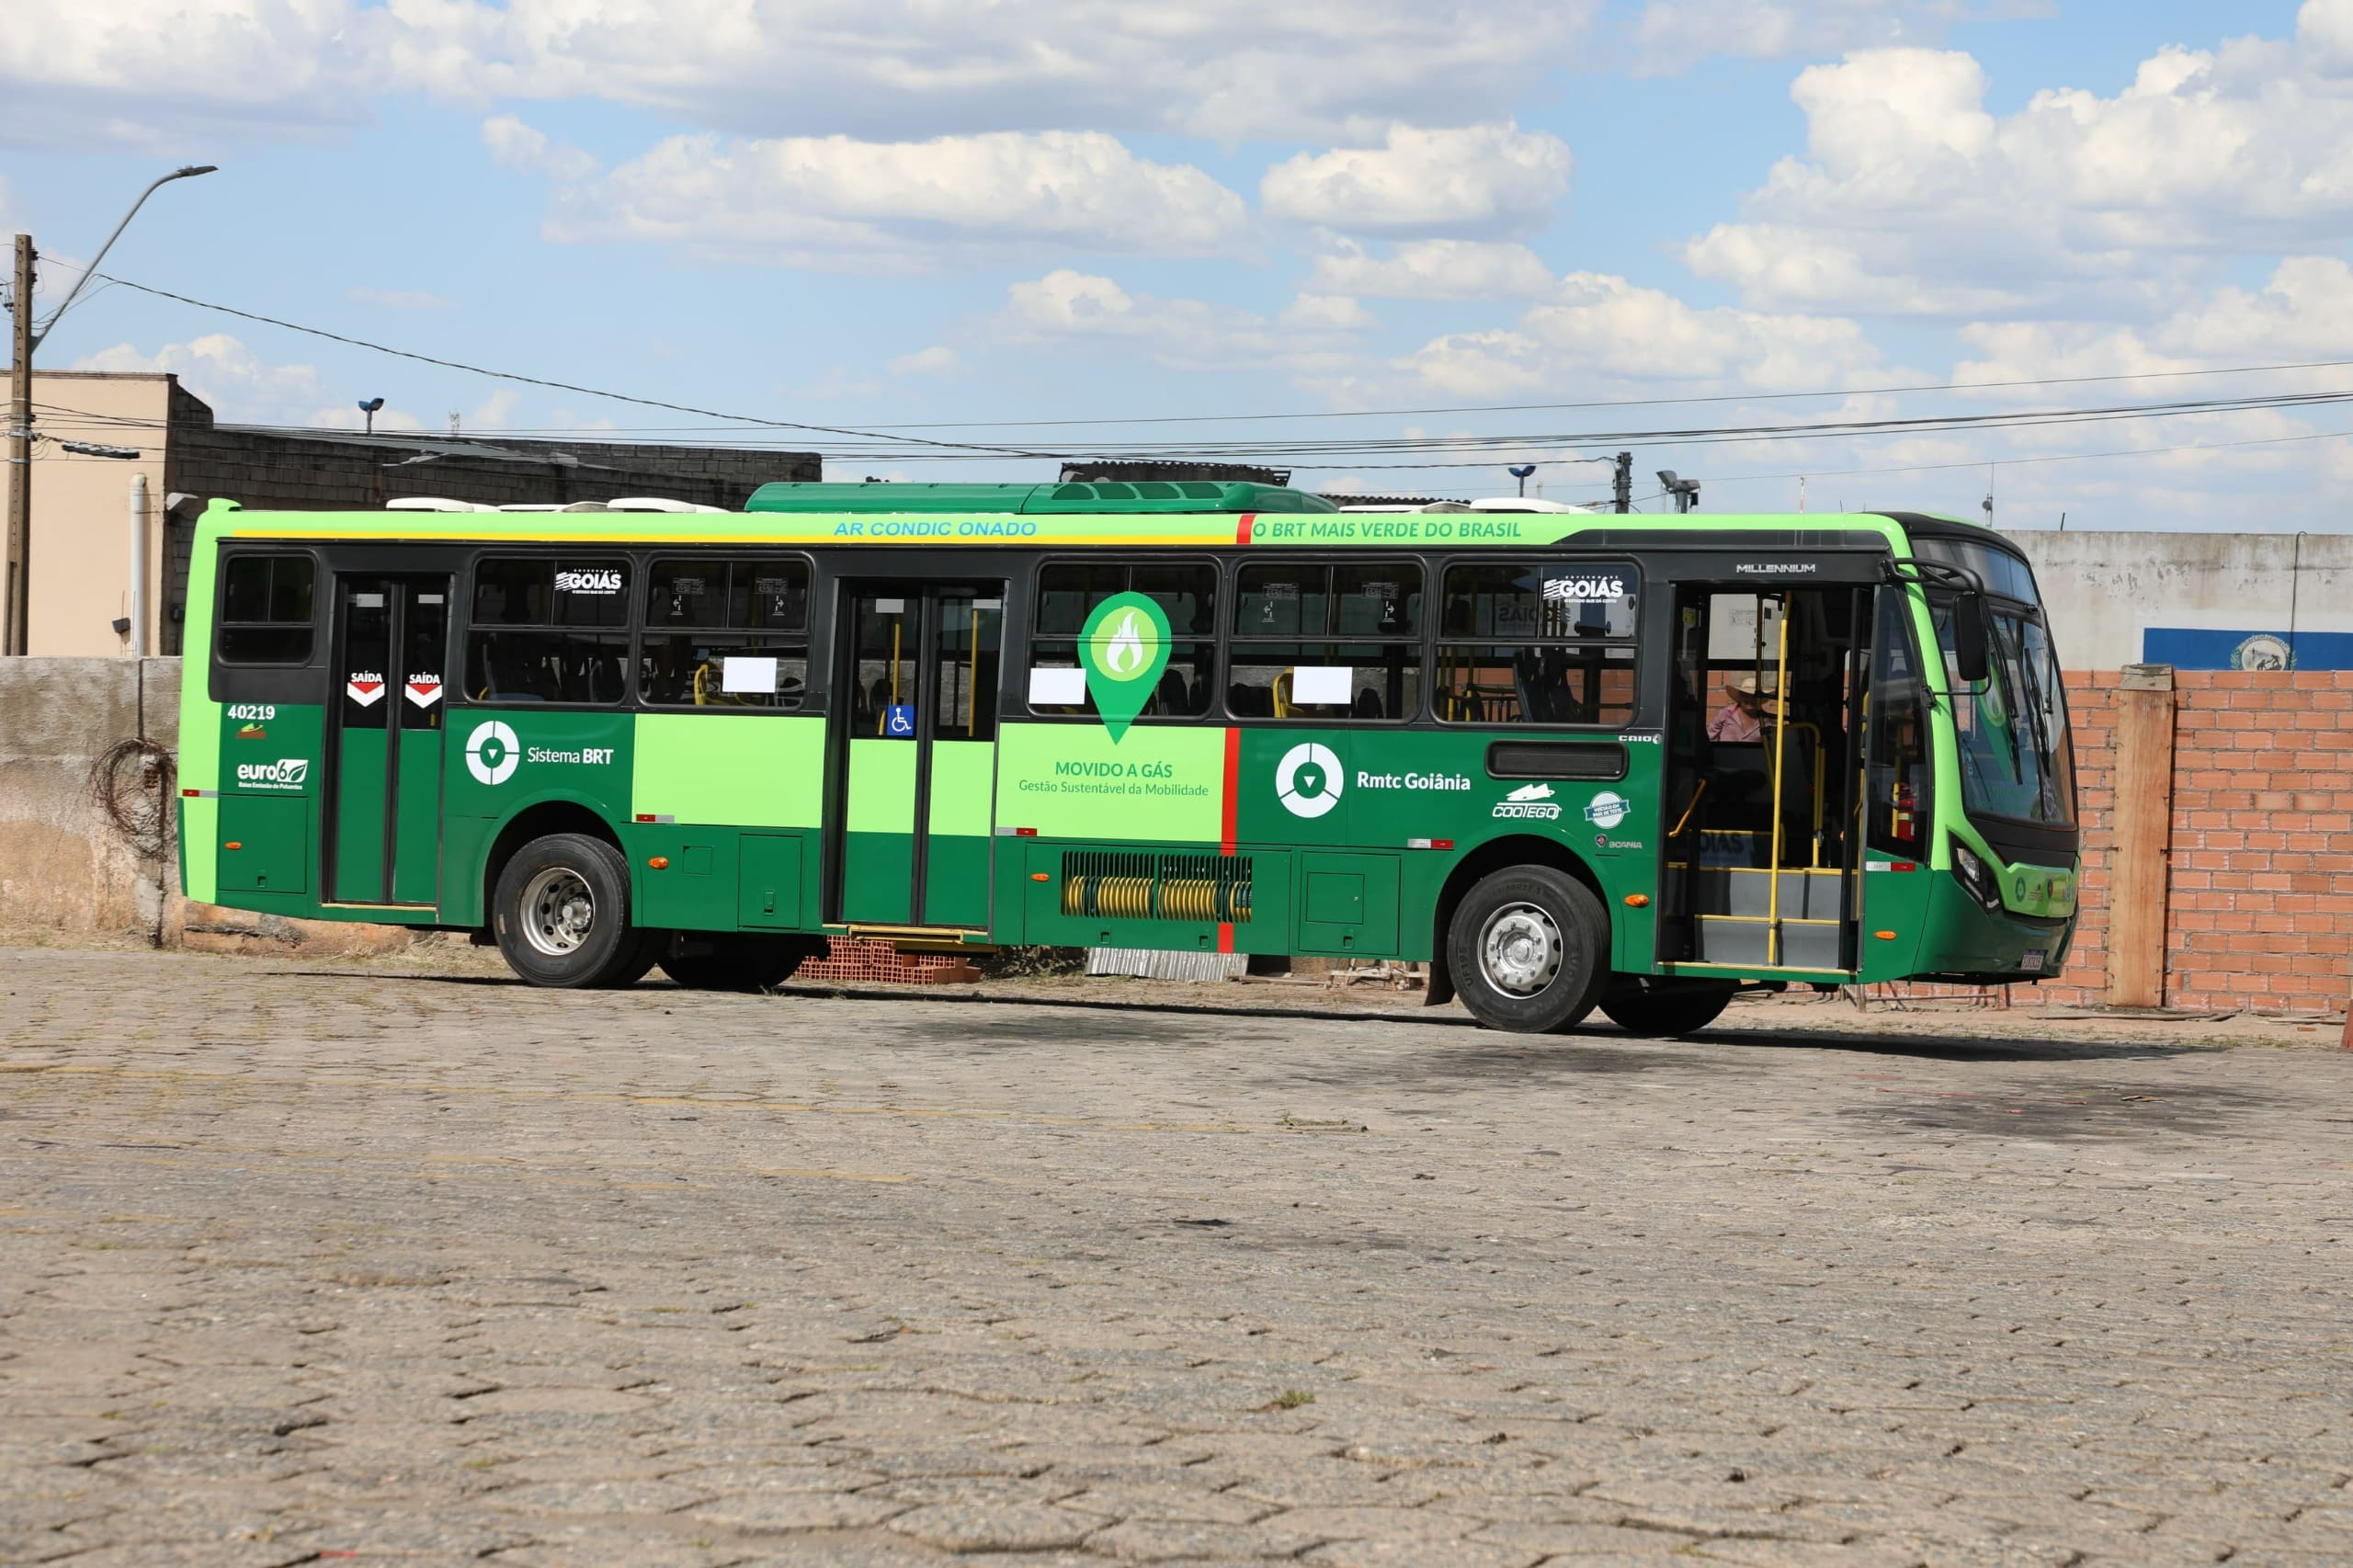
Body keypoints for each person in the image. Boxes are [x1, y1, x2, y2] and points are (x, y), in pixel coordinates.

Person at [1708, 673, 1775, 741]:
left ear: (1760, 699)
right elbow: (1710, 740)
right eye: (1745, 695)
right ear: (1740, 697)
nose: (1750, 699)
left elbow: (1771, 745)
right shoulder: (1725, 714)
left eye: (1754, 696)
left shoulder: (1768, 721)